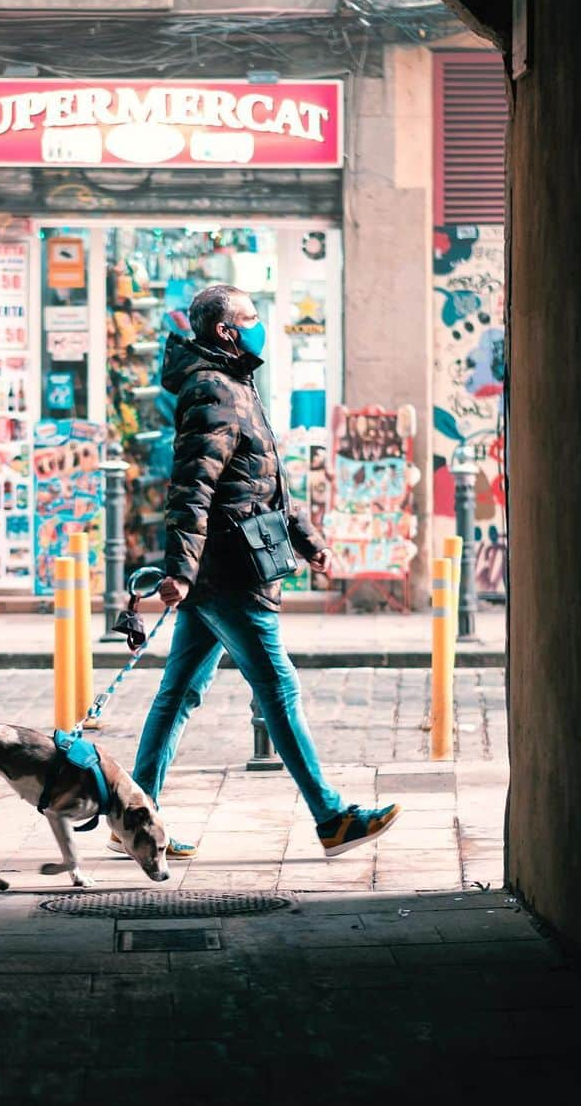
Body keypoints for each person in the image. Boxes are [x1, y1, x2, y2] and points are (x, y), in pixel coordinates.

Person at [110, 284, 400, 862]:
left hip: (227, 565)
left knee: (179, 693)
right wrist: (182, 572)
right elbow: (191, 488)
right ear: (226, 330)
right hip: (229, 571)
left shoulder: (237, 384)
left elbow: (262, 479)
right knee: (278, 687)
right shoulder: (212, 390)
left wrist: (307, 538)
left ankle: (131, 821)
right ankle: (332, 817)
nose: (259, 325)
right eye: (251, 317)